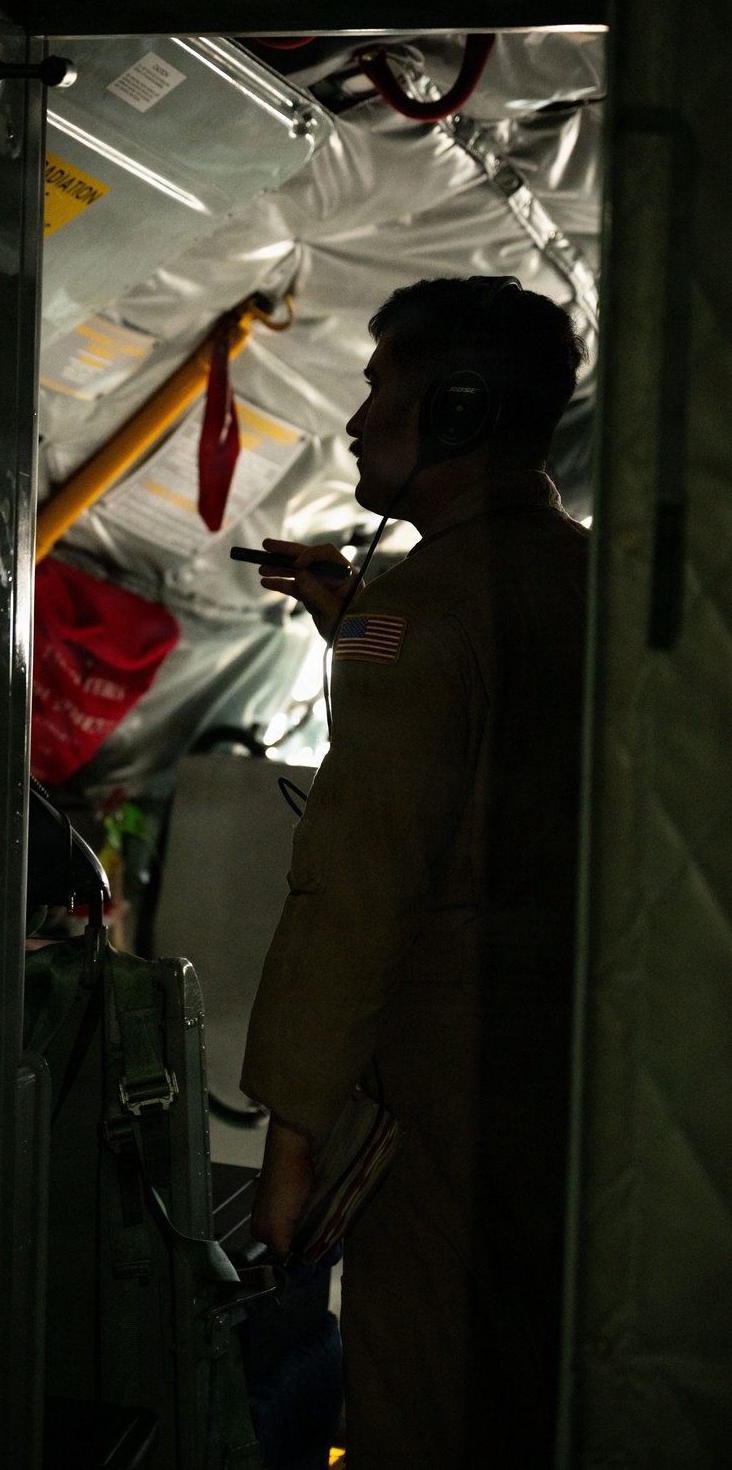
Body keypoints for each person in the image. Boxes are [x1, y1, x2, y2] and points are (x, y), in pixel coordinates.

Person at [240, 277, 589, 1467]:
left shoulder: (427, 611)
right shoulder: (590, 582)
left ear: (457, 411)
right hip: (581, 1086)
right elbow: (468, 678)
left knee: (423, 1410)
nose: (350, 421)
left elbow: (360, 885)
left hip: (450, 1093)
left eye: (379, 390)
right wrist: (351, 618)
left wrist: (292, 1136)